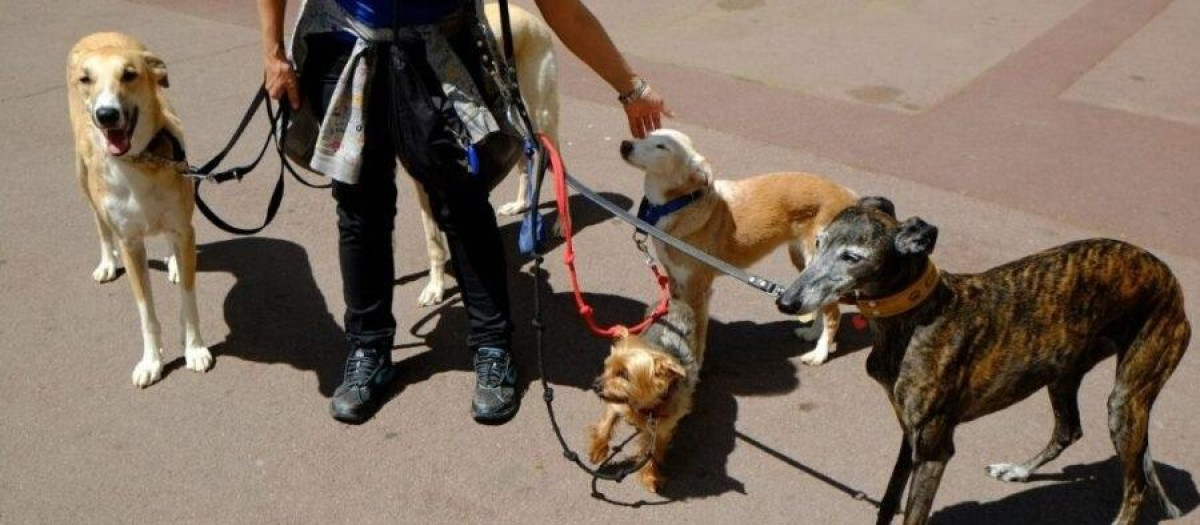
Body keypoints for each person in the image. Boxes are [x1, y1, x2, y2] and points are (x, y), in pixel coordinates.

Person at [256, 0, 671, 424]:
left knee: (463, 202)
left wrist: (631, 88)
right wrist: (273, 52)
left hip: (441, 49)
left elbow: (563, 9)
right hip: (345, 42)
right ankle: (369, 348)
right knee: (361, 208)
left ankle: (493, 347)